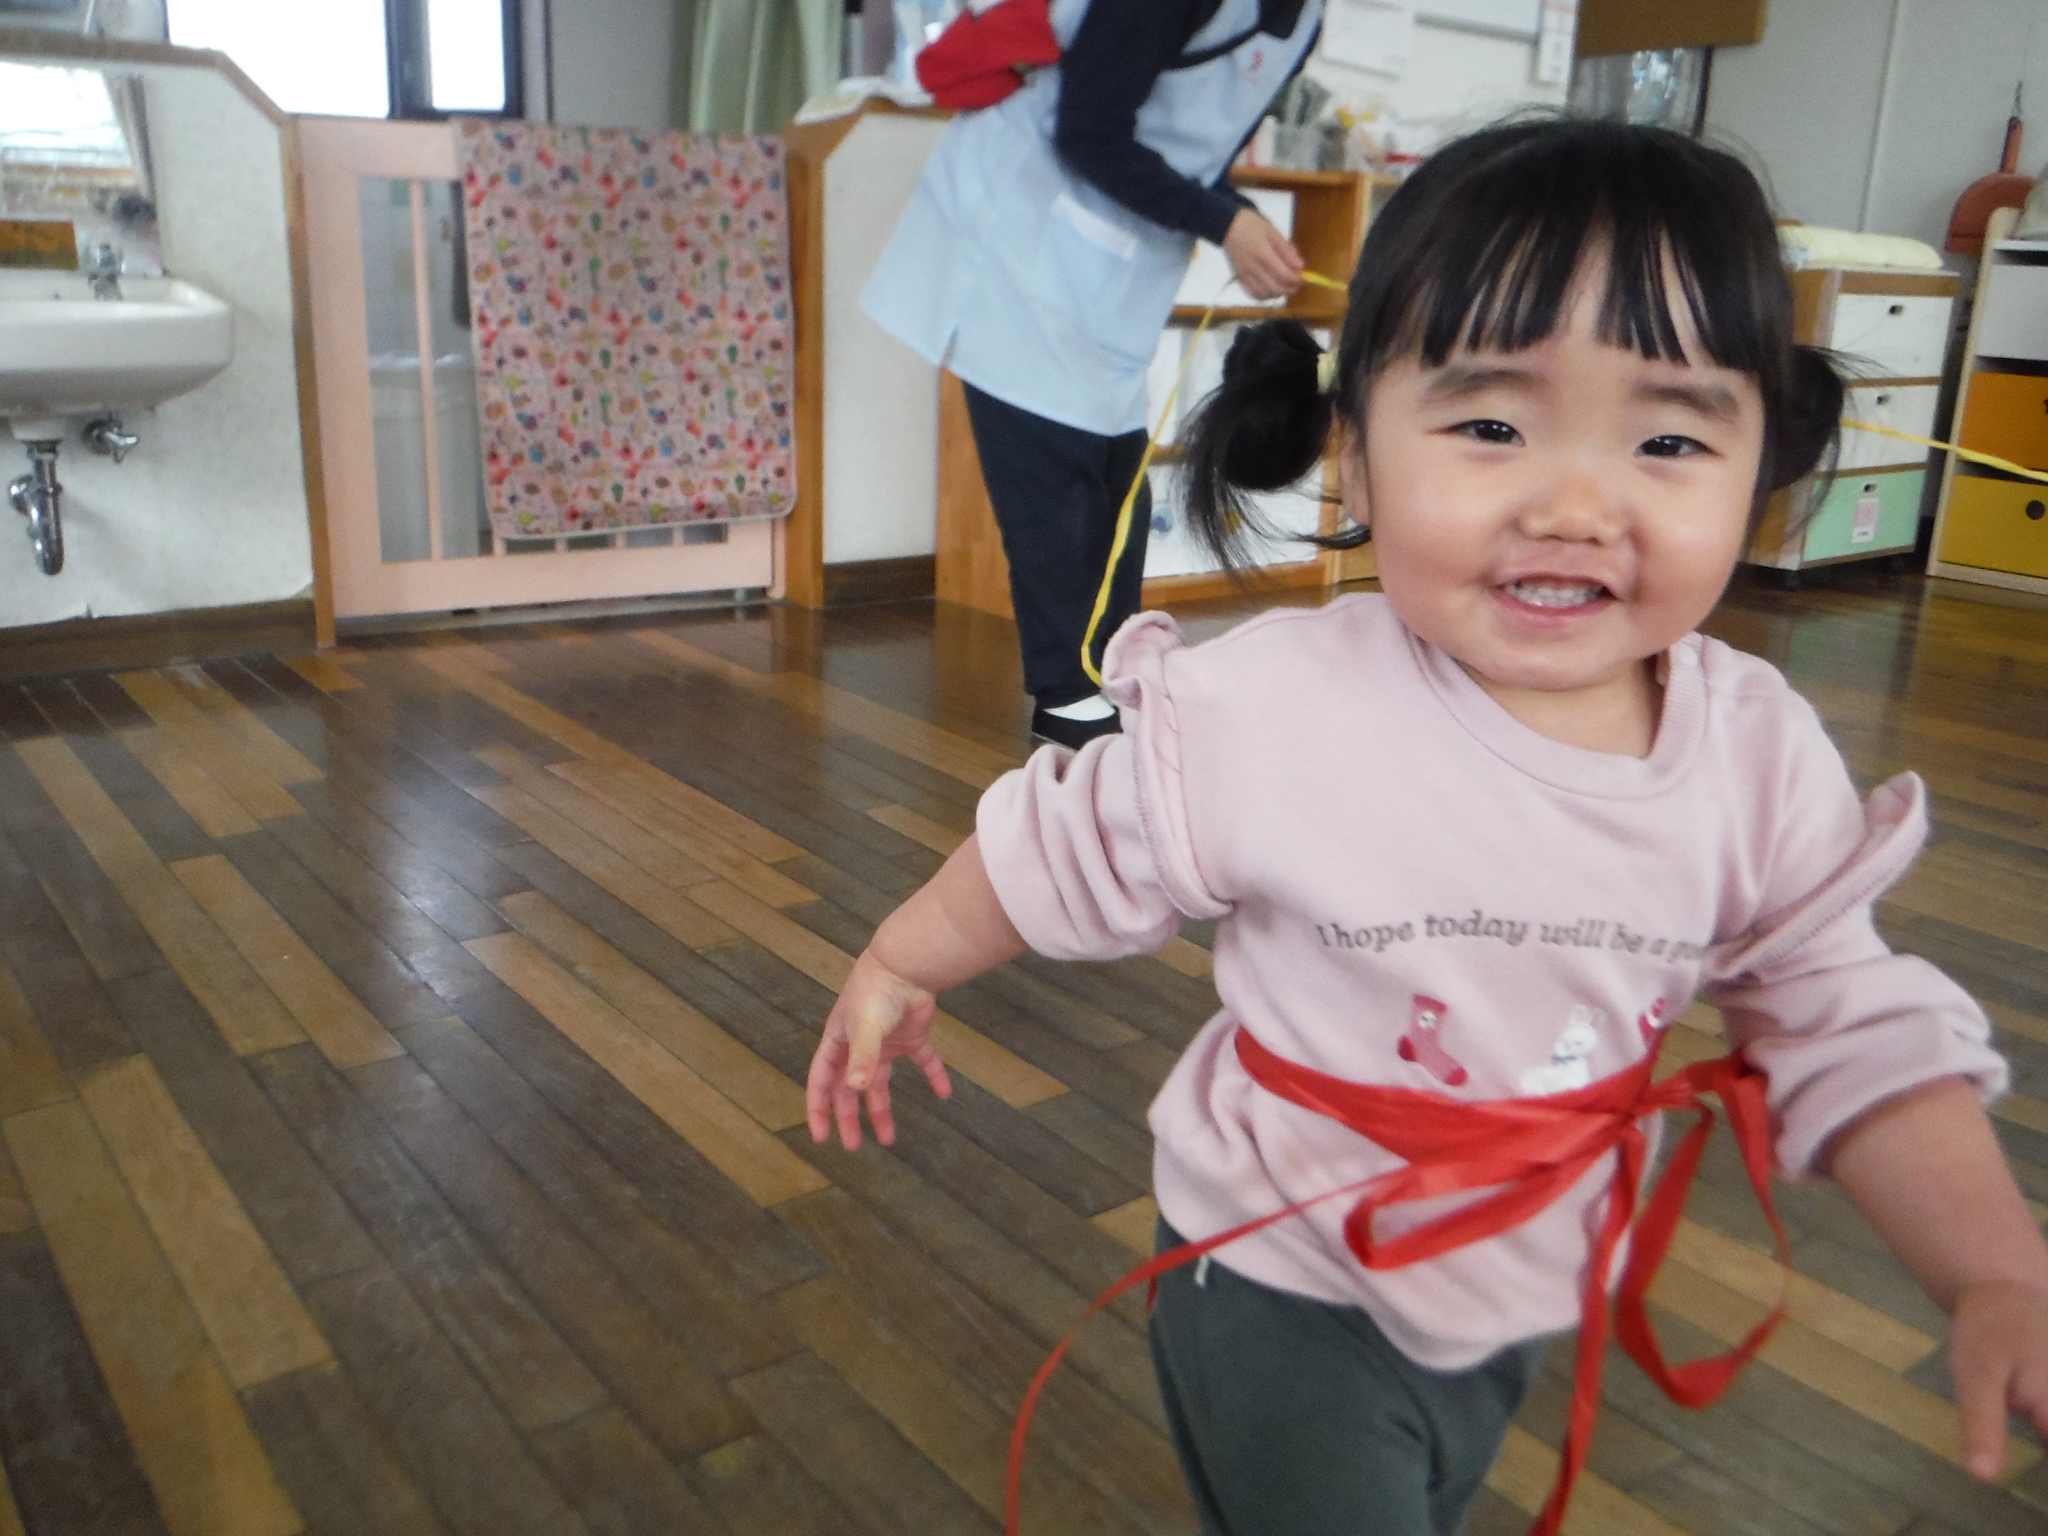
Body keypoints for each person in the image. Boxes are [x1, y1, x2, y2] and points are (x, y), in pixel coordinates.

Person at [810, 118, 2048, 1536]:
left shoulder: (1755, 759)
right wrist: (900, 959)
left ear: (1760, 461)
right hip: (1275, 1269)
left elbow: (1846, 1021)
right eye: (1490, 427)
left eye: (1667, 438)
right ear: (1356, 452)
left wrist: (1996, 1271)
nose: (1573, 505)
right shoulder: (1272, 708)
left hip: (1522, 1275)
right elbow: (1066, 839)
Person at [862, 0, 1322, 749]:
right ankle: (1068, 702)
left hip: (1111, 264)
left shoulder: (1304, 20)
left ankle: (1114, 678)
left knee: (1118, 487)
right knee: (1054, 491)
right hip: (1020, 234)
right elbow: (1088, 130)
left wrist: (1239, 216)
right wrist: (1223, 222)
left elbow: (1190, 146)